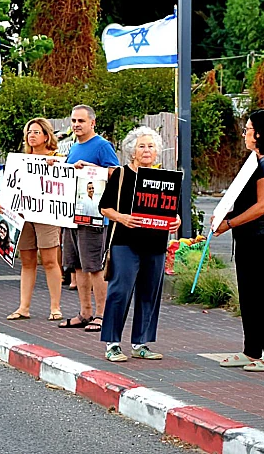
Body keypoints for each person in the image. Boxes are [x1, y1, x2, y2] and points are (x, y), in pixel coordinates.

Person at [214, 110, 264, 372]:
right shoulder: (255, 162)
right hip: (247, 238)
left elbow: (263, 206)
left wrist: (229, 223)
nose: (245, 134)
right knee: (249, 295)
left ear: (259, 133)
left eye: (248, 129)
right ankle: (252, 350)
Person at [98, 126, 180, 362]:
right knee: (120, 291)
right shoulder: (121, 175)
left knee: (149, 294)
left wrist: (177, 220)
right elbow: (104, 207)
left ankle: (141, 343)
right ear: (132, 151)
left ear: (157, 152)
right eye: (142, 146)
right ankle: (112, 343)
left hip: (155, 244)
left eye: (151, 146)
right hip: (125, 242)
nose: (146, 150)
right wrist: (122, 217)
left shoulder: (164, 178)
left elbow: (172, 211)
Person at [60, 105, 119, 332]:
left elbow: (117, 173)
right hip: (72, 216)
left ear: (92, 123)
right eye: (74, 120)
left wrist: (93, 168)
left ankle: (102, 315)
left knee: (94, 266)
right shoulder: (74, 147)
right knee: (77, 266)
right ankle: (84, 312)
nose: (76, 125)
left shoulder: (103, 146)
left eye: (81, 121)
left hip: (93, 216)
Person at [5, 118, 64, 322]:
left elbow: (65, 179)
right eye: (29, 132)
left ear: (46, 136)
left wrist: (53, 166)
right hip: (24, 214)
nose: (32, 135)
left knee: (49, 260)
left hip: (46, 214)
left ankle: (55, 306)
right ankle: (24, 307)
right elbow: (11, 186)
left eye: (36, 132)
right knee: (27, 260)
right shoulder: (20, 160)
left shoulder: (57, 158)